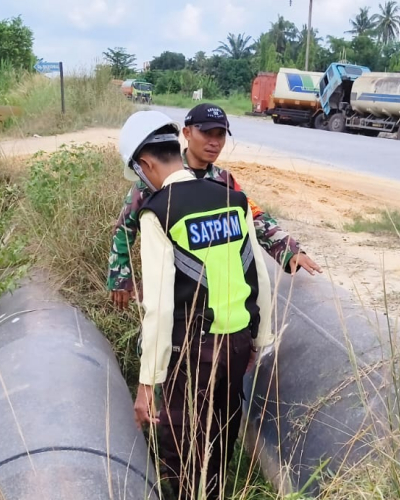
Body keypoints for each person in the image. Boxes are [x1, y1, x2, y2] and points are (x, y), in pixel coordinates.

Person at [122, 110, 273, 499]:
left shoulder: (158, 212)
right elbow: (259, 277)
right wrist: (259, 341)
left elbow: (157, 306)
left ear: (145, 164)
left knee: (184, 445)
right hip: (237, 343)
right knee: (222, 437)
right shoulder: (233, 198)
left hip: (194, 351)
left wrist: (146, 386)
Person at [108, 103, 321, 308]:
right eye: (207, 133)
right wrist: (120, 276)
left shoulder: (224, 181)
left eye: (220, 135)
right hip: (168, 282)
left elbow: (254, 217)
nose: (214, 142)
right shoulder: (156, 175)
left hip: (213, 289)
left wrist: (289, 250)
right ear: (187, 133)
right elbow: (125, 227)